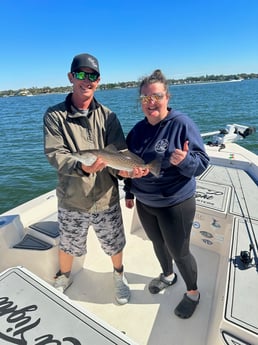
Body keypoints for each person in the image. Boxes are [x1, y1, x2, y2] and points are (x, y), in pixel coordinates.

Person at [43, 53, 141, 305]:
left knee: (115, 242)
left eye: (92, 76)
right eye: (80, 74)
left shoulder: (109, 116)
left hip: (106, 196)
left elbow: (119, 155)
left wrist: (127, 171)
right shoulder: (55, 116)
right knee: (68, 243)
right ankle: (64, 276)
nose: (86, 80)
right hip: (72, 198)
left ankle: (119, 276)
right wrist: (83, 170)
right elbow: (56, 154)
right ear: (70, 77)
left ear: (98, 81)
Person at [124, 69, 210, 318]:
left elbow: (202, 164)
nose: (151, 103)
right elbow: (129, 163)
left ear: (167, 98)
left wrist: (184, 161)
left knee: (179, 251)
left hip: (175, 203)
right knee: (157, 243)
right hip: (145, 202)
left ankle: (193, 292)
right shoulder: (137, 131)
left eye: (156, 96)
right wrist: (129, 190)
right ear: (140, 102)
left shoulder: (182, 124)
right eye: (145, 98)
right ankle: (168, 275)